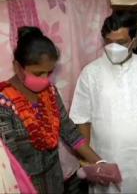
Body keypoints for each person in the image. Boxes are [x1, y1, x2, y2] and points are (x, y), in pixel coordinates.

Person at [0, 26, 121, 194]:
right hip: (22, 184)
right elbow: (9, 160)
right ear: (17, 66)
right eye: (38, 73)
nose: (44, 79)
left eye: (49, 72)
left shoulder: (50, 93)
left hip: (54, 180)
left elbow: (69, 131)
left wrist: (100, 163)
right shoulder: (4, 102)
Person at [69, 11, 137, 193]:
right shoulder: (90, 73)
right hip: (103, 162)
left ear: (134, 41)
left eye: (121, 42)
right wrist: (88, 161)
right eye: (109, 42)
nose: (114, 47)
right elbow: (82, 120)